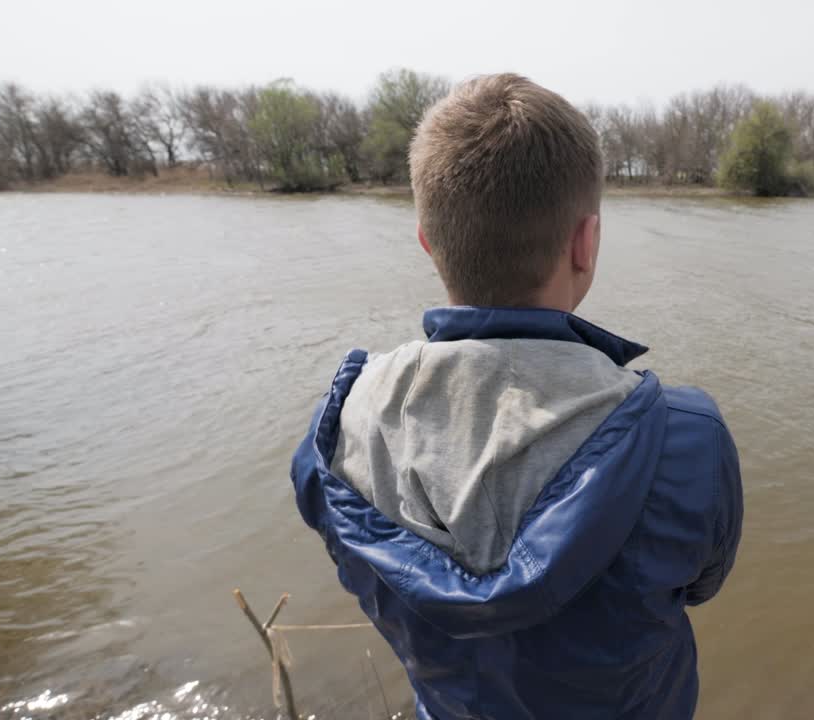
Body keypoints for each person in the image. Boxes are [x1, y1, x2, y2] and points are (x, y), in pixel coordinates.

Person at [289, 73, 743, 720]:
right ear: (585, 243)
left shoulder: (336, 434)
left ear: (427, 240)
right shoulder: (685, 438)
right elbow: (701, 585)